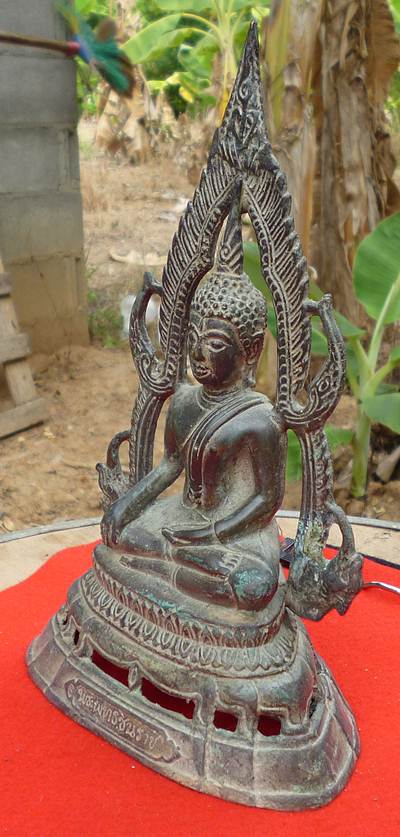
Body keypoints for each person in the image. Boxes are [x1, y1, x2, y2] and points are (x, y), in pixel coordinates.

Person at [101, 270, 287, 612]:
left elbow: (267, 499)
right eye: (193, 338)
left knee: (254, 587)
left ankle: (165, 569)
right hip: (184, 516)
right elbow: (170, 465)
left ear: (251, 349)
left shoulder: (262, 421)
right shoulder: (183, 401)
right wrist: (126, 505)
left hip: (235, 532)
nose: (198, 353)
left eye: (215, 344)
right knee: (120, 537)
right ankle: (179, 569)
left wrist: (212, 534)